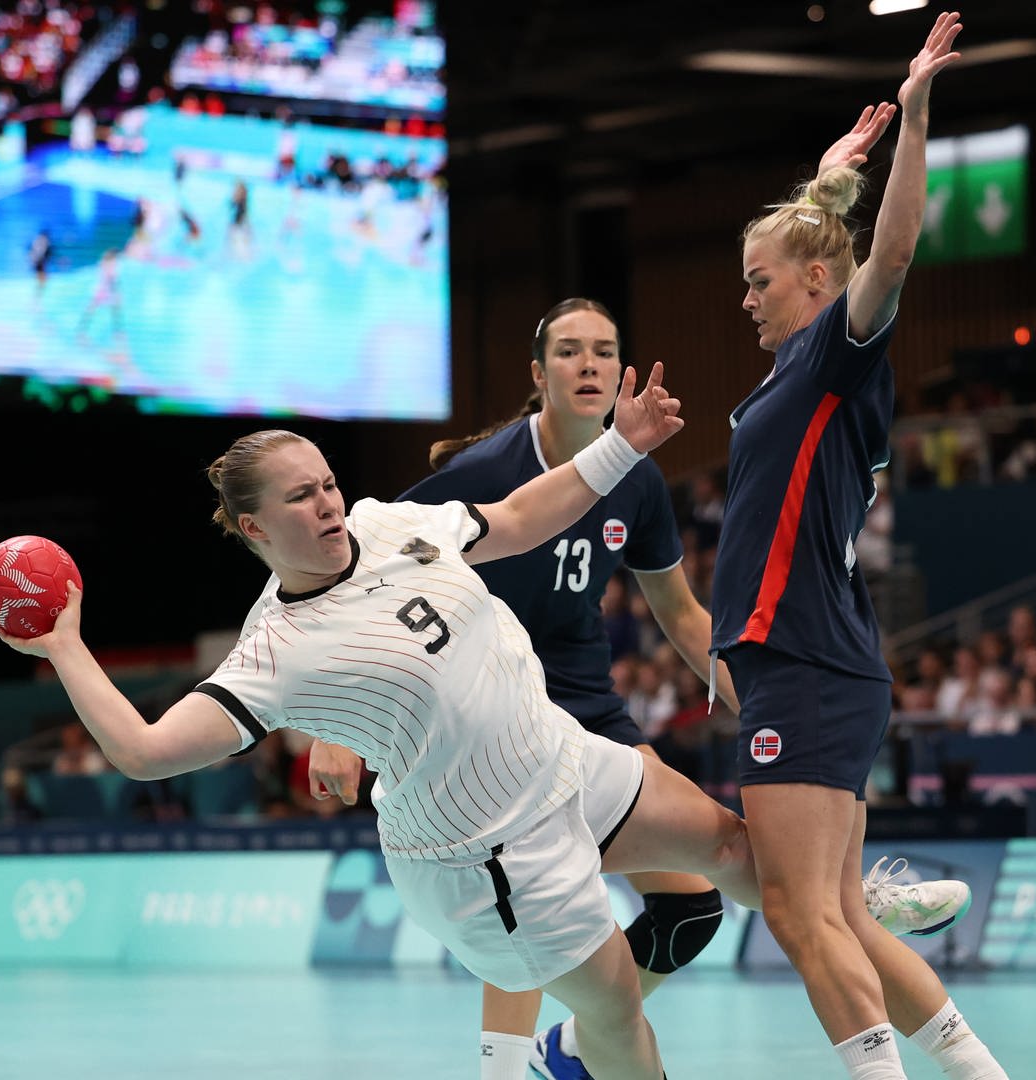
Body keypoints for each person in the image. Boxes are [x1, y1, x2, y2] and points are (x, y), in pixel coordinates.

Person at [1, 367, 755, 1080]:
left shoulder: (389, 523)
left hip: (561, 759)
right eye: (301, 498)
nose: (328, 503)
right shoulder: (276, 651)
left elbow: (522, 519)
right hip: (486, 854)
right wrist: (65, 648)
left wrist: (623, 444)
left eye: (328, 483)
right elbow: (143, 750)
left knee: (730, 844)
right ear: (253, 526)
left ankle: (850, 918)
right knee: (619, 1014)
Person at [307, 294, 970, 1080]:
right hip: (493, 727)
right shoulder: (478, 477)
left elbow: (683, 612)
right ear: (538, 373)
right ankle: (510, 1067)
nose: (587, 364)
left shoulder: (639, 483)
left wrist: (750, 688)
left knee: (694, 904)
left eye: (602, 350)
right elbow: (358, 574)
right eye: (568, 351)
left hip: (593, 721)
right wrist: (338, 725)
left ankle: (582, 1046)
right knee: (517, 902)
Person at [711, 13, 1008, 1079]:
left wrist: (916, 115)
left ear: (814, 287)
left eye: (758, 279)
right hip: (795, 656)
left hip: (808, 657)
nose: (743, 296)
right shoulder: (791, 377)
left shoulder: (839, 352)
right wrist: (825, 179)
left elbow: (890, 247)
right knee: (838, 911)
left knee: (798, 913)